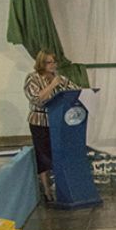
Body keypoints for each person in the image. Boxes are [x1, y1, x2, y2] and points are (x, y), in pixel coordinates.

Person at [24, 49, 80, 201]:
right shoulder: (33, 78)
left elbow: (75, 91)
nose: (53, 65)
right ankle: (46, 189)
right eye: (49, 62)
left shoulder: (59, 78)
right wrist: (52, 85)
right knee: (43, 155)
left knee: (59, 154)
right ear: (41, 63)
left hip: (58, 122)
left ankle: (63, 187)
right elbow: (37, 99)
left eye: (54, 62)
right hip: (40, 122)